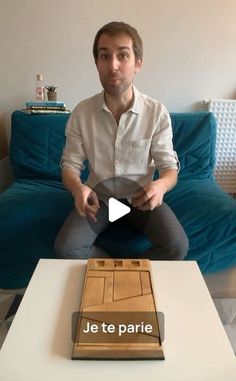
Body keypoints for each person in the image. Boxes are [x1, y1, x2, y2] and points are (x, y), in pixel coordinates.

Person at [55, 21, 189, 260]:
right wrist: (78, 189)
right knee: (67, 248)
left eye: (123, 55)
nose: (113, 66)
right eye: (104, 56)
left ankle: (131, 269)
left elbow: (170, 170)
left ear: (138, 63)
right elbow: (69, 167)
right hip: (101, 199)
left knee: (177, 246)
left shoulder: (156, 113)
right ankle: (111, 266)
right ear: (96, 63)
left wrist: (161, 186)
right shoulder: (82, 113)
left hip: (140, 200)